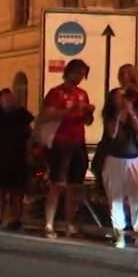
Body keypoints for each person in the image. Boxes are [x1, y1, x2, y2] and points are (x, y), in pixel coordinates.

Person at [40, 58, 95, 238]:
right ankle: (49, 224)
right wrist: (69, 111)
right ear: (69, 72)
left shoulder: (83, 94)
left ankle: (69, 224)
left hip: (78, 142)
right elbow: (47, 115)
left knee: (75, 186)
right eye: (78, 73)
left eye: (82, 74)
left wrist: (88, 113)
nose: (80, 77)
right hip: (60, 142)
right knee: (57, 185)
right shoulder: (57, 93)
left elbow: (87, 121)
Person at [101, 87, 138, 248]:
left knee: (137, 197)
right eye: (119, 97)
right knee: (115, 198)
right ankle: (120, 233)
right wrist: (120, 114)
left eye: (125, 97)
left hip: (134, 160)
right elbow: (112, 134)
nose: (123, 99)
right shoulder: (111, 116)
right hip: (114, 160)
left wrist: (131, 113)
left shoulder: (137, 114)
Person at [0, 89, 34, 230]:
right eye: (6, 100)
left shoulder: (20, 114)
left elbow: (28, 129)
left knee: (17, 190)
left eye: (11, 99)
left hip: (18, 156)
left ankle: (16, 219)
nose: (9, 102)